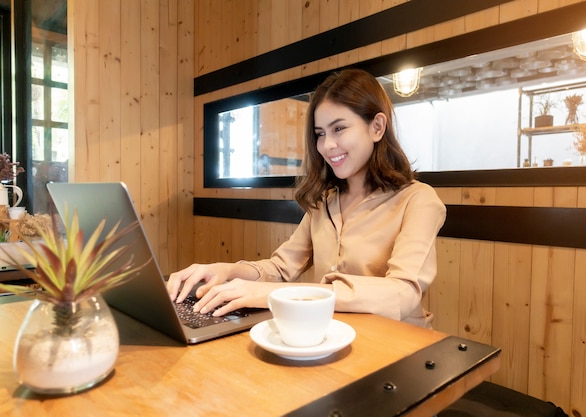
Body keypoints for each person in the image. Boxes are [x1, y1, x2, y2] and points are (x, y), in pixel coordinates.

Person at [167, 68, 446, 327]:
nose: (326, 145)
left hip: (398, 344)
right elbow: (280, 268)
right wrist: (225, 271)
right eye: (320, 134)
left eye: (339, 129)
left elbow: (403, 293)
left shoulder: (419, 200)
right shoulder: (325, 202)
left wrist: (274, 294)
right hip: (330, 334)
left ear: (377, 127)